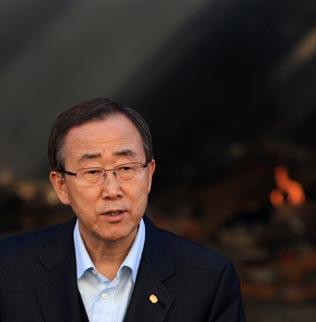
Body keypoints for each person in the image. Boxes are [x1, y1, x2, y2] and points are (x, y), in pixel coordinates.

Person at [0, 98, 246, 322]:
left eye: (126, 168)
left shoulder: (208, 280)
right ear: (61, 186)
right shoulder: (9, 270)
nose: (112, 190)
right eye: (93, 171)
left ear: (149, 175)